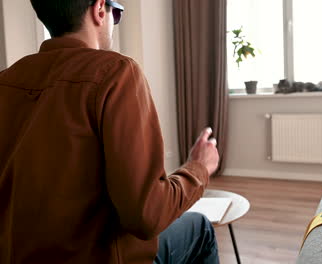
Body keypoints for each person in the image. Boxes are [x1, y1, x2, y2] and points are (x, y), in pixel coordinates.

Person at [0, 0, 220, 263]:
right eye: (117, 14)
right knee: (201, 229)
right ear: (100, 9)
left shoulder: (6, 80)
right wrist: (199, 168)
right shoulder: (115, 73)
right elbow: (146, 217)